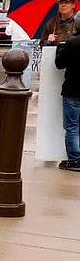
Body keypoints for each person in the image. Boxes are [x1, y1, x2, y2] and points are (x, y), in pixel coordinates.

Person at [54, 23, 80, 171]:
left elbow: (59, 64)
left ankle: (75, 159)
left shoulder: (72, 43)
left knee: (72, 126)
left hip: (73, 89)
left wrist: (60, 47)